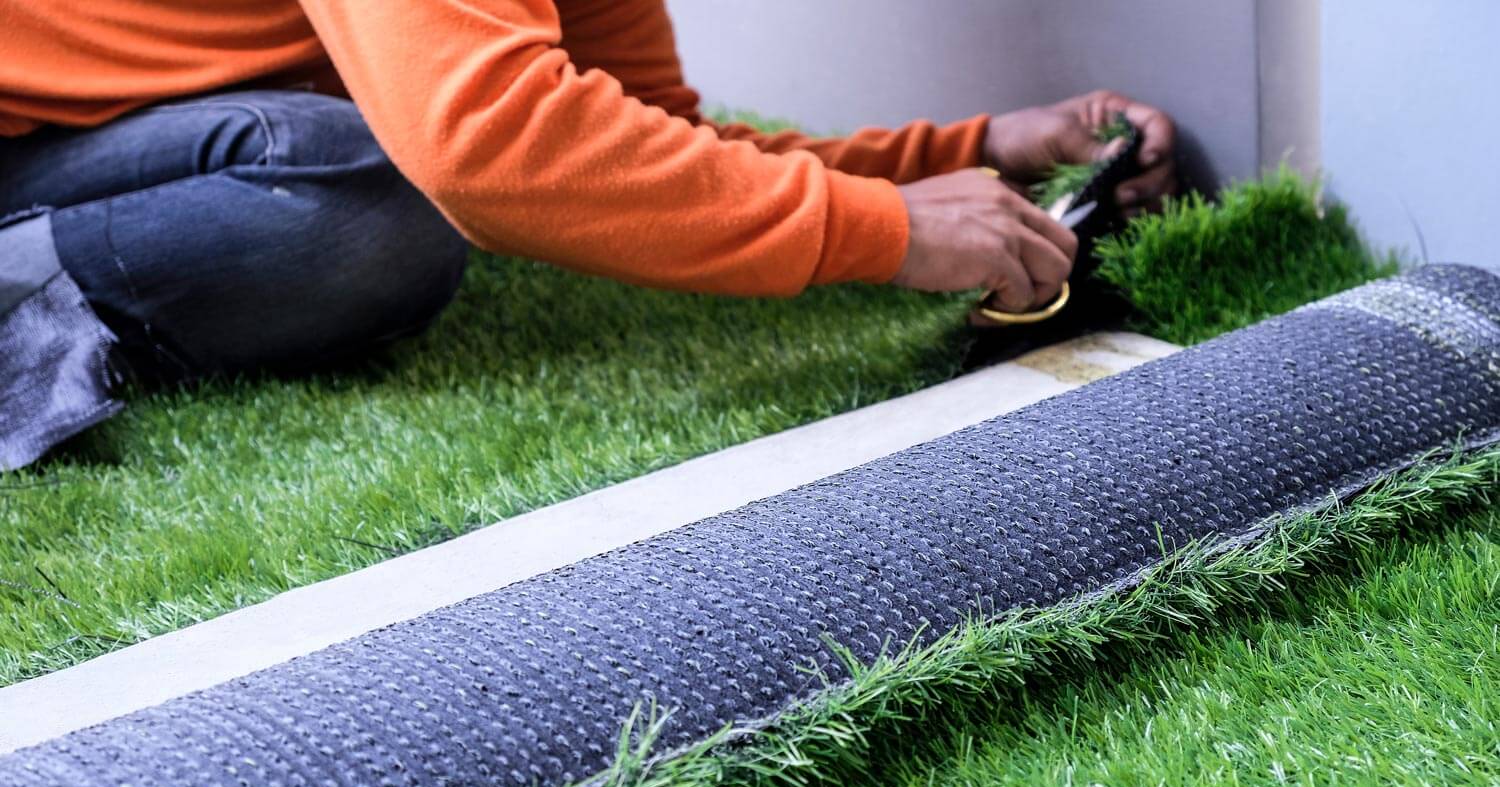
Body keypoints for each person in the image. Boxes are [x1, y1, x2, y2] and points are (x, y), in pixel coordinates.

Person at [0, 1, 1177, 470]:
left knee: (361, 168)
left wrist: (966, 155)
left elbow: (650, 147)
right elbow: (488, 144)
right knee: (373, 199)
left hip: (129, 132)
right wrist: (880, 232)